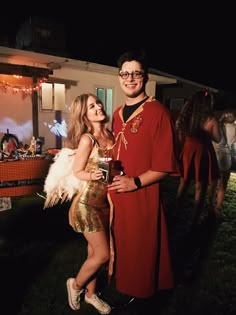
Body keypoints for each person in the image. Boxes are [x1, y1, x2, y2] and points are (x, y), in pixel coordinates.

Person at [107, 49, 180, 300]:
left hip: (142, 194)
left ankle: (141, 291)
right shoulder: (116, 115)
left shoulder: (158, 113)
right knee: (122, 242)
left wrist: (135, 182)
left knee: (142, 245)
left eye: (136, 73)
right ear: (119, 77)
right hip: (116, 192)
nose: (130, 78)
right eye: (125, 73)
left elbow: (165, 165)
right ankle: (124, 285)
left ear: (145, 77)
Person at [65, 93, 114, 314]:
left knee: (94, 255)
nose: (98, 107)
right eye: (91, 106)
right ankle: (75, 285)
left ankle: (91, 295)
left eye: (98, 103)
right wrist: (91, 175)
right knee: (103, 254)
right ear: (84, 115)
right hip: (87, 205)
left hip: (105, 203)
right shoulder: (88, 139)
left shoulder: (111, 135)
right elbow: (77, 171)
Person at [175, 90, 221, 226]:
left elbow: (179, 134)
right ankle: (194, 220)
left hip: (188, 152)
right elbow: (218, 139)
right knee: (200, 187)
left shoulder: (186, 117)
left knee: (183, 183)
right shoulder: (210, 119)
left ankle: (176, 210)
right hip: (203, 154)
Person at [209, 110, 236, 217]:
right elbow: (232, 146)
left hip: (215, 157)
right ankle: (218, 207)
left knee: (213, 182)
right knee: (223, 184)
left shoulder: (217, 125)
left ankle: (210, 204)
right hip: (225, 159)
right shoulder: (233, 128)